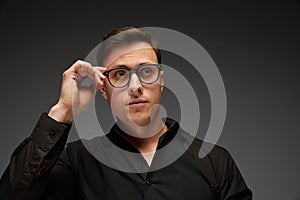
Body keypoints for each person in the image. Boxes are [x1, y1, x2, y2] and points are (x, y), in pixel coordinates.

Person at [0, 26, 252, 199]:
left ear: (161, 80)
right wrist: (63, 111)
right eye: (120, 74)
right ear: (102, 88)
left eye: (146, 71)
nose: (135, 87)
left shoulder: (216, 163)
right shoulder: (76, 162)